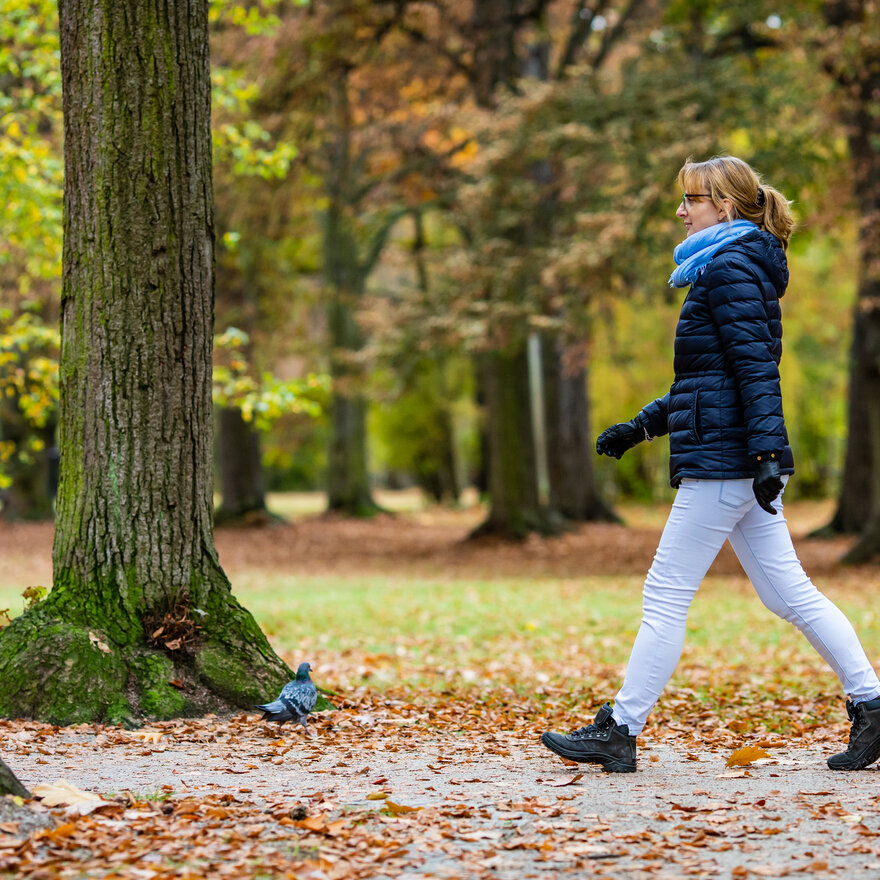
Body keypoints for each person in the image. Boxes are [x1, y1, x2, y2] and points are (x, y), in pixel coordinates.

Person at [540, 155, 880, 774]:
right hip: (734, 458)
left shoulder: (728, 269)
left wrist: (771, 455)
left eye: (690, 199)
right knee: (790, 595)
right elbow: (710, 382)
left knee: (666, 593)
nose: (679, 210)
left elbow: (755, 371)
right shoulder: (731, 266)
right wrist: (641, 425)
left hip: (727, 464)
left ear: (722, 206)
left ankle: (620, 729)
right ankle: (874, 705)